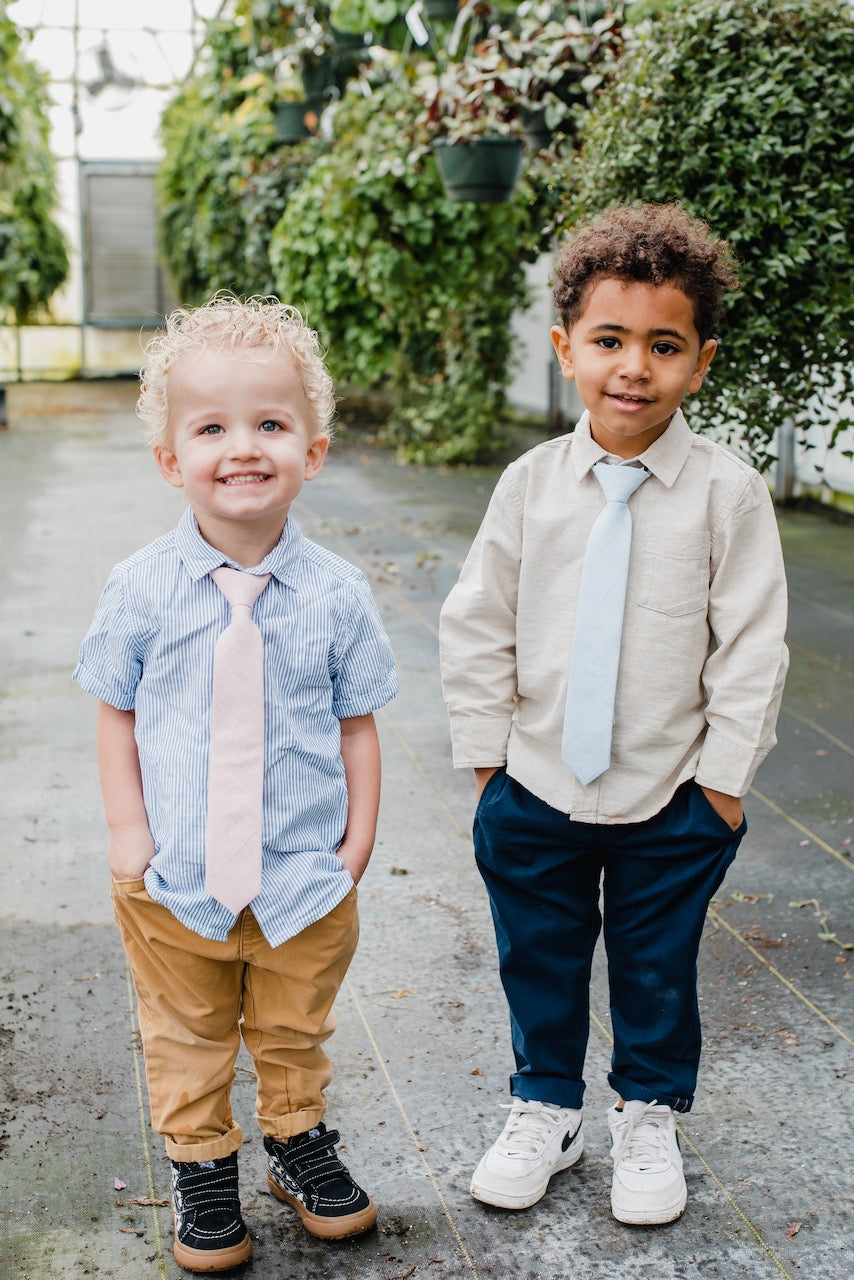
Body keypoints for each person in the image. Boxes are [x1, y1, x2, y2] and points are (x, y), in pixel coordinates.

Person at [439, 203, 788, 1226]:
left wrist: (719, 787)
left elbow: (752, 644)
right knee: (537, 952)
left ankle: (645, 1111)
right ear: (565, 349)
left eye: (661, 345)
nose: (632, 366)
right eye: (607, 340)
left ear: (699, 360)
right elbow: (476, 625)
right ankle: (544, 1105)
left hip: (669, 794)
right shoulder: (530, 485)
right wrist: (483, 768)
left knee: (653, 963)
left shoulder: (726, 495)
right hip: (535, 781)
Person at [73, 295, 397, 1272]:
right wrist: (129, 832)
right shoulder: (141, 587)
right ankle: (202, 1158)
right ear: (173, 460)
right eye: (211, 427)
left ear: (314, 448)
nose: (243, 446)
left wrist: (356, 843)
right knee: (188, 1029)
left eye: (270, 423)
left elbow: (356, 723)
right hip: (173, 874)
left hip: (303, 873)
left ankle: (296, 1139)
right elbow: (115, 709)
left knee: (296, 1023)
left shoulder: (337, 594)